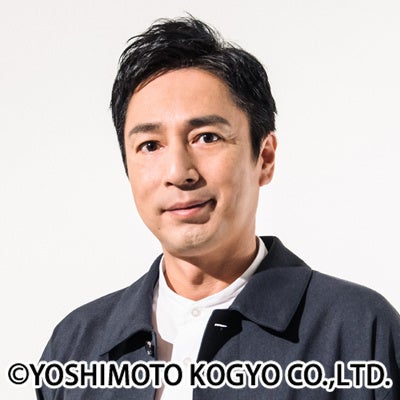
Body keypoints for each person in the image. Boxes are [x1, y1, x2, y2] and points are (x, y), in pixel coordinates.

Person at [36, 16, 400, 400]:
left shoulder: (359, 332)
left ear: (265, 157)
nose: (178, 172)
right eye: (150, 145)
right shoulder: (76, 345)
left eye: (206, 137)